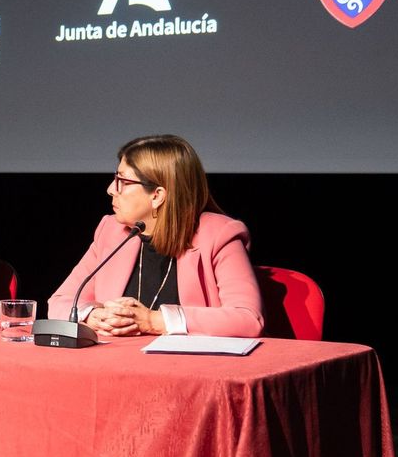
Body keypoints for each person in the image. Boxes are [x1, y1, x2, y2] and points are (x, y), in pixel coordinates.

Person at [47, 134, 263, 338]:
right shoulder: (112, 231)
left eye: (123, 181)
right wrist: (93, 316)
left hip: (190, 362)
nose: (111, 189)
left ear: (157, 195)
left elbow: (248, 318)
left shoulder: (219, 235)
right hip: (116, 358)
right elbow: (60, 302)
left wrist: (154, 320)